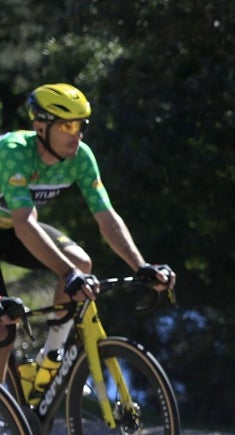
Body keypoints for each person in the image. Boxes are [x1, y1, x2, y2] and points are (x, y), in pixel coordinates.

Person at [0, 83, 175, 399]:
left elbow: (106, 217)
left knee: (80, 262)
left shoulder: (80, 157)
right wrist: (68, 274)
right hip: (18, 226)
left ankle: (49, 360)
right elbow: (25, 224)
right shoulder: (13, 152)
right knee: (4, 325)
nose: (77, 134)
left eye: (81, 125)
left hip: (9, 229)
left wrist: (140, 265)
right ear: (40, 127)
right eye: (67, 126)